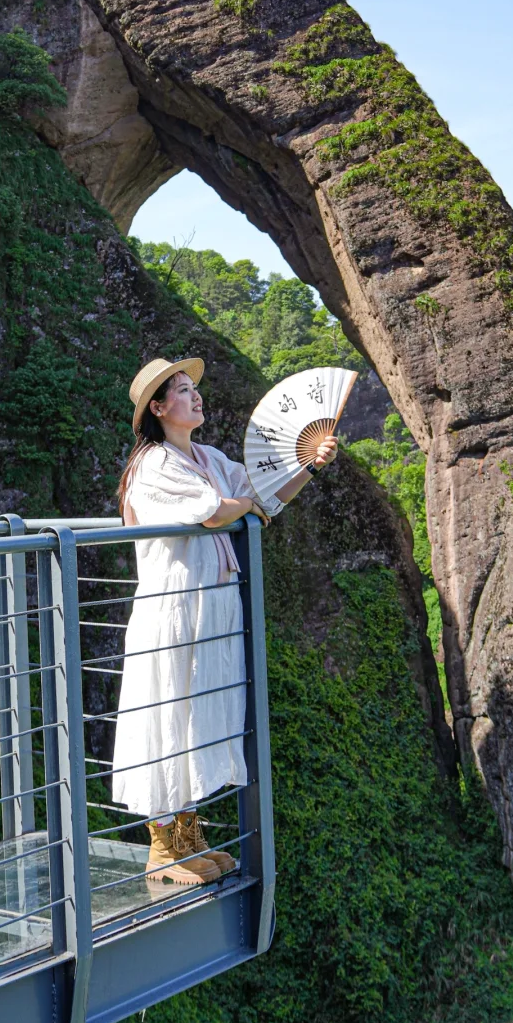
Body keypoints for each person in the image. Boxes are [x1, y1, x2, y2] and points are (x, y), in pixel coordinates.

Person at [112, 357, 337, 885]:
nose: (196, 396)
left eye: (194, 388)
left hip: (211, 607)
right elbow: (214, 512)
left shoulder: (208, 458)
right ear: (158, 408)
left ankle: (189, 838)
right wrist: (243, 506)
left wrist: (309, 466)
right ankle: (163, 847)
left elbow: (264, 495)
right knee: (169, 715)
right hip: (174, 608)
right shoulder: (153, 465)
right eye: (182, 390)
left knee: (197, 715)